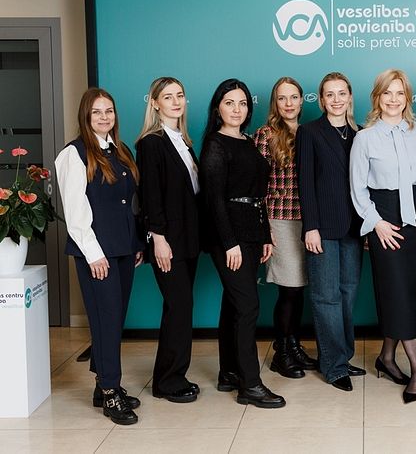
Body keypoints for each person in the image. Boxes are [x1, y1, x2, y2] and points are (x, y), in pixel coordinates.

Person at [55, 87, 144, 425]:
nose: (104, 117)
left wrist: (136, 244)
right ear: (86, 116)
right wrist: (94, 254)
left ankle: (102, 385)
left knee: (115, 321)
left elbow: (128, 204)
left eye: (109, 111)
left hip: (123, 249)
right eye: (97, 112)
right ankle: (110, 393)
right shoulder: (73, 154)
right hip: (96, 253)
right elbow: (75, 212)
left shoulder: (120, 150)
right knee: (105, 321)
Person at [199, 78, 285, 408]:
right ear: (217, 108)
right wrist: (229, 243)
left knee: (234, 305)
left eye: (243, 103)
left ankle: (229, 372)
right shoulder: (215, 145)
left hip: (251, 231)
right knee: (248, 306)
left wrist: (264, 235)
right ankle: (250, 384)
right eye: (229, 103)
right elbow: (214, 200)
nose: (237, 109)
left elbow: (255, 195)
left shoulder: (247, 141)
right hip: (229, 237)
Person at [350, 69, 416, 402]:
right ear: (377, 97)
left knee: (413, 294)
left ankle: (386, 357)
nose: (393, 99)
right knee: (396, 294)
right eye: (387, 93)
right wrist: (376, 223)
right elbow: (357, 187)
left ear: (408, 97)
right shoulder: (365, 138)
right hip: (386, 223)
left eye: (400, 93)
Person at [296, 72, 365, 392]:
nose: (336, 100)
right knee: (326, 297)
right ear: (321, 100)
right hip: (322, 227)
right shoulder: (309, 132)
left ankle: (343, 355)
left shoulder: (361, 133)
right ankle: (334, 366)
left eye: (341, 93)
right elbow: (305, 182)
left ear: (350, 97)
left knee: (348, 293)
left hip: (354, 227)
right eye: (329, 94)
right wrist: (310, 227)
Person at [136, 77, 201, 403]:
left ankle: (172, 375)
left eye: (180, 95)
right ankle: (168, 381)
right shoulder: (151, 143)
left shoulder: (183, 141)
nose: (176, 102)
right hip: (168, 241)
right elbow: (150, 196)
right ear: (155, 103)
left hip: (187, 239)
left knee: (179, 307)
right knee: (179, 306)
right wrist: (158, 239)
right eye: (168, 97)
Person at [254, 77, 317, 379]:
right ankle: (281, 352)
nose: (289, 103)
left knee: (299, 287)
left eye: (293, 97)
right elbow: (256, 185)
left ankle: (293, 346)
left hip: (309, 221)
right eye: (282, 98)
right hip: (280, 219)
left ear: (302, 100)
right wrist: (264, 228)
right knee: (289, 289)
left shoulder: (308, 132)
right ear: (275, 103)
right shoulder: (266, 134)